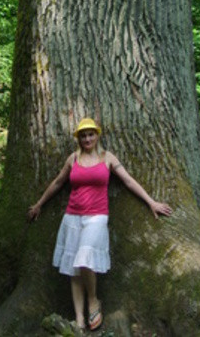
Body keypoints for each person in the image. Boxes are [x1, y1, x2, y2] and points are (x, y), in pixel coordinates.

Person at [27, 117, 172, 332]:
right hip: (73, 217)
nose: (87, 138)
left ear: (97, 136)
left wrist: (151, 202)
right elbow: (58, 182)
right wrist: (39, 204)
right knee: (74, 269)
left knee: (85, 260)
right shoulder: (73, 158)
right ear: (79, 138)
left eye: (91, 134)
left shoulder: (107, 158)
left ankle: (93, 300)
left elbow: (128, 180)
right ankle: (79, 320)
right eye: (83, 135)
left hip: (97, 217)